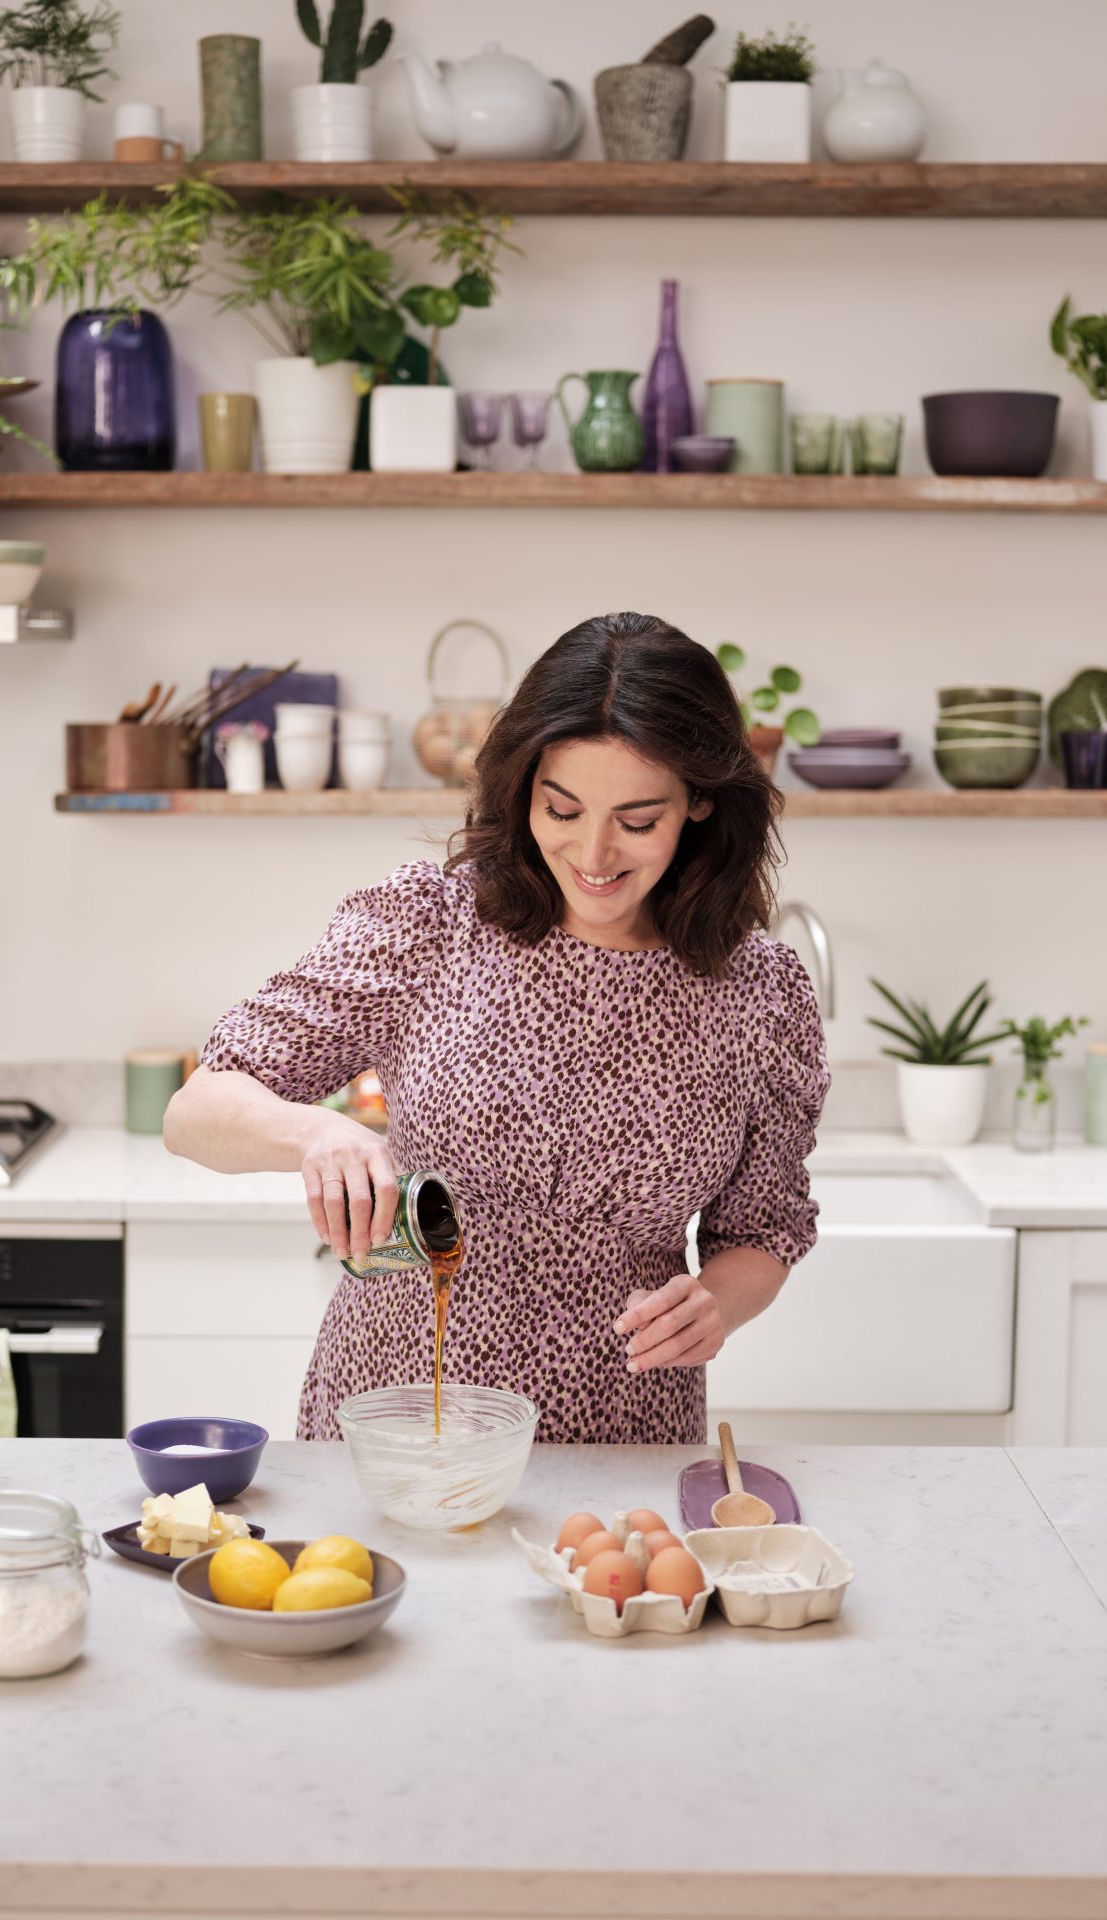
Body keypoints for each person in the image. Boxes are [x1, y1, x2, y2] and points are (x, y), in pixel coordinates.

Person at [165, 611, 830, 1443]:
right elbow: (194, 1112)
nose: (594, 853)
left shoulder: (758, 992)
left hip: (621, 1434)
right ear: (524, 791)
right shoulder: (432, 924)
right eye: (562, 809)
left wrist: (718, 1305)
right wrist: (313, 1136)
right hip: (397, 1419)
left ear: (699, 803)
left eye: (637, 820)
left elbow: (762, 1232)